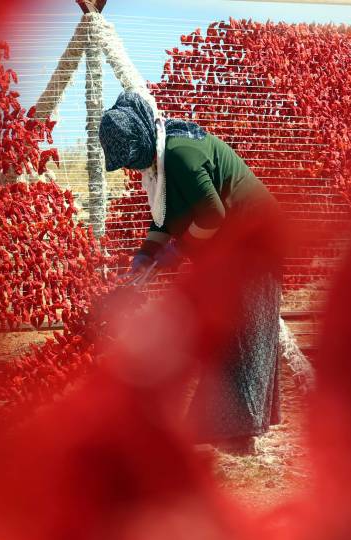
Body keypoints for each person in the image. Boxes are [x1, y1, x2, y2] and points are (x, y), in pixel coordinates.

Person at [99, 91, 282, 455]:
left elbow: (213, 214)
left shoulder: (181, 155)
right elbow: (164, 220)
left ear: (141, 139)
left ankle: (238, 434)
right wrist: (145, 255)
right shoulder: (159, 164)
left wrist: (178, 250)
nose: (131, 167)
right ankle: (227, 427)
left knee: (241, 332)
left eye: (131, 158)